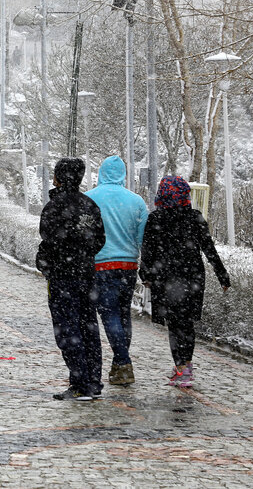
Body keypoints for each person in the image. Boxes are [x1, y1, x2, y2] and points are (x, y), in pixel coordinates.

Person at [140, 175, 230, 388]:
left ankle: (182, 369)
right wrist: (222, 276)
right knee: (186, 323)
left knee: (174, 324)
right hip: (192, 277)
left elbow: (148, 250)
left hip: (165, 277)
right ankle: (185, 366)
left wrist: (146, 275)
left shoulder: (156, 218)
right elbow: (209, 249)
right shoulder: (195, 217)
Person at [36, 158, 106, 401]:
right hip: (86, 275)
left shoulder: (54, 207)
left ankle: (80, 382)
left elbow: (48, 239)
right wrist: (82, 254)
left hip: (62, 277)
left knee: (67, 329)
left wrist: (52, 262)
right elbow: (99, 240)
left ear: (58, 177)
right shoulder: (90, 205)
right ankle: (94, 381)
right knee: (89, 326)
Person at [84, 156, 147, 386]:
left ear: (101, 173)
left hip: (100, 265)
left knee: (108, 314)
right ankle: (119, 366)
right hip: (128, 266)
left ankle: (123, 361)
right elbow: (143, 238)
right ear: (123, 174)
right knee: (123, 315)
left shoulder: (90, 199)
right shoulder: (136, 201)